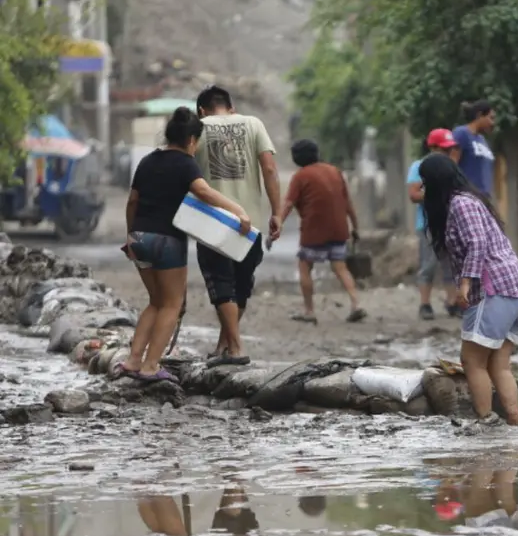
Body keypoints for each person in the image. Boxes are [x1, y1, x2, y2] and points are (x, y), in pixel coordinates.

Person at [118, 107, 251, 383]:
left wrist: (130, 237)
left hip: (139, 239)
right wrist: (238, 210)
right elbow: (203, 191)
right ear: (192, 139)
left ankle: (133, 361)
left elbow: (132, 201)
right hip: (167, 241)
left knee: (155, 302)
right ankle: (151, 366)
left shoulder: (147, 161)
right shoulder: (185, 163)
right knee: (172, 304)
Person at [419, 153, 518, 428]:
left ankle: (486, 421)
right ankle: (514, 423)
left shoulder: (460, 203)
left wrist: (466, 284)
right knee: (498, 364)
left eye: (425, 183)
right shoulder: (470, 200)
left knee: (471, 360)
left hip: (496, 289)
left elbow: (477, 242)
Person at [194, 85, 282, 367]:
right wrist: (277, 212)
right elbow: (269, 169)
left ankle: (235, 348)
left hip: (213, 223)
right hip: (250, 223)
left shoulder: (197, 127)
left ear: (201, 110)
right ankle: (225, 345)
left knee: (222, 285)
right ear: (231, 108)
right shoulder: (253, 123)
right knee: (241, 286)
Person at [280, 139, 366, 323]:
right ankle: (356, 303)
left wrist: (277, 223)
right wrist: (355, 227)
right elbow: (348, 203)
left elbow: (288, 204)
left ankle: (309, 311)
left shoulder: (301, 176)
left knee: (304, 266)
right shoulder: (334, 171)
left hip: (314, 231)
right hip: (339, 229)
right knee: (340, 267)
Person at [407, 129, 462, 320]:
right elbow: (414, 194)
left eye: (449, 149)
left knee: (451, 265)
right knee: (428, 265)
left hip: (450, 223)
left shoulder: (451, 167)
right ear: (432, 147)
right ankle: (425, 304)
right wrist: (436, 195)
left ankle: (453, 302)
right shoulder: (419, 167)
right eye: (443, 149)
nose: (447, 153)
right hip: (428, 224)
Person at [452, 100, 496, 197]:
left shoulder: (482, 140)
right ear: (480, 115)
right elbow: (451, 166)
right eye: (491, 118)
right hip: (467, 197)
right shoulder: (461, 134)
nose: (493, 123)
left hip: (484, 199)